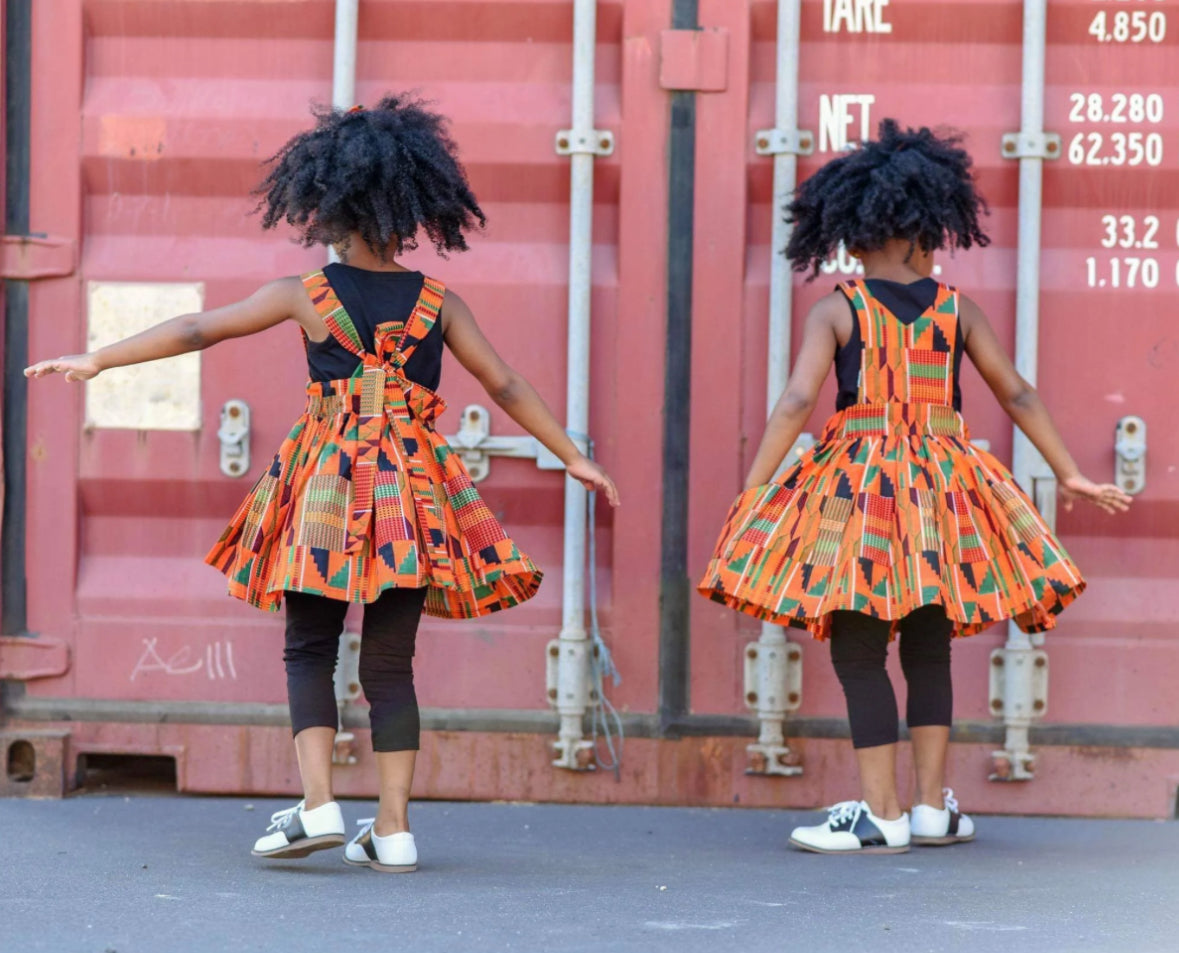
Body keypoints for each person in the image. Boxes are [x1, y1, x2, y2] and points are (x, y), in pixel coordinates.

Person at [26, 95, 619, 873]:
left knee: (308, 645)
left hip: (327, 487)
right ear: (414, 206)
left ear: (327, 203)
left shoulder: (306, 294)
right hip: (412, 492)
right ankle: (396, 827)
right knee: (390, 664)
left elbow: (200, 328)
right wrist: (568, 452)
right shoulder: (439, 303)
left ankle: (316, 808)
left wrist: (99, 359)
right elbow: (504, 384)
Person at [698, 119, 1130, 855]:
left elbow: (797, 402)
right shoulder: (956, 309)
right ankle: (931, 808)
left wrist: (754, 486)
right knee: (930, 645)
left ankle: (880, 813)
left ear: (856, 230)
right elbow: (1017, 394)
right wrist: (1068, 472)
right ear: (925, 231)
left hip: (856, 488)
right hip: (944, 491)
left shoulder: (839, 308)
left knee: (859, 647)